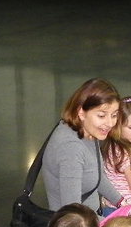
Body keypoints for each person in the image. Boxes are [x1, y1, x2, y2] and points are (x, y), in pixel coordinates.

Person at [41, 79, 124, 212]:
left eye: (114, 115)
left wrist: (122, 203)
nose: (110, 123)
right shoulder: (71, 148)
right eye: (101, 116)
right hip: (77, 222)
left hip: (92, 214)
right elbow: (72, 213)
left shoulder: (88, 130)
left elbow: (95, 176)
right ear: (81, 113)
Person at [101, 97, 131, 206]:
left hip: (111, 203)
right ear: (118, 125)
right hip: (129, 204)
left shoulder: (112, 145)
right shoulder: (126, 155)